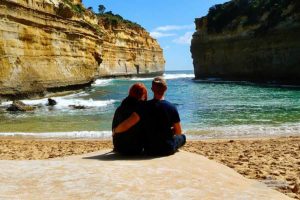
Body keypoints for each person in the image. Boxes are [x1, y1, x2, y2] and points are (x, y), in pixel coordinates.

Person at [114, 77, 186, 156]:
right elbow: (178, 132)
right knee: (182, 137)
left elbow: (127, 124)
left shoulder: (143, 107)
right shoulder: (172, 107)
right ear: (165, 89)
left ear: (152, 89)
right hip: (167, 148)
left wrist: (115, 130)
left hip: (149, 149)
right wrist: (170, 131)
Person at [112, 83, 147, 155]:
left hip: (119, 146)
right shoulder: (140, 108)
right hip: (135, 148)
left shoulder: (121, 107)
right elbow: (125, 125)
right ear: (142, 95)